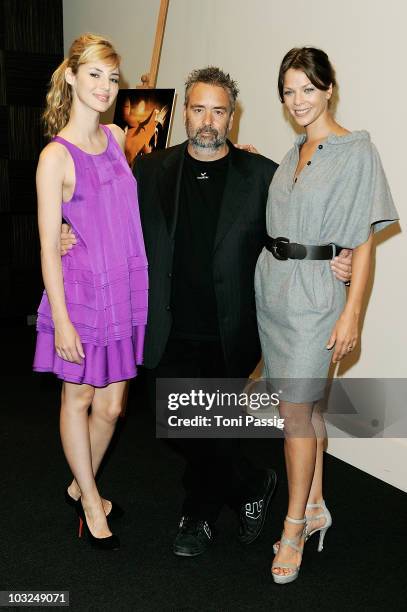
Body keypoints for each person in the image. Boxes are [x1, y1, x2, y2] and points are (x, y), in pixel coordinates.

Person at [61, 66, 352, 557]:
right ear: (187, 114)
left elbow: (298, 227)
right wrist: (70, 235)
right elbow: (113, 221)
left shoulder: (262, 175)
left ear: (231, 116)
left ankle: (195, 518)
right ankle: (252, 482)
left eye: (219, 110)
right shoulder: (152, 169)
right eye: (198, 108)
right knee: (177, 420)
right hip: (164, 326)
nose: (208, 120)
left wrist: (335, 255)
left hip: (231, 330)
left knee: (206, 423)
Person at [254, 47, 398, 584]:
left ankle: (291, 528)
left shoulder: (355, 150)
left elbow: (362, 242)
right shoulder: (294, 150)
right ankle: (315, 504)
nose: (298, 101)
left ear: (328, 88)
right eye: (289, 92)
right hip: (274, 292)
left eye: (307, 89)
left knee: (294, 414)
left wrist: (352, 314)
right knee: (309, 409)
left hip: (317, 299)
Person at [33, 33, 148, 550]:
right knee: (78, 398)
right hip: (79, 295)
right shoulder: (54, 158)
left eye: (112, 77)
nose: (104, 87)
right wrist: (59, 319)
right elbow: (45, 245)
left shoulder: (121, 137)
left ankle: (80, 481)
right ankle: (91, 503)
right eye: (95, 75)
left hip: (122, 291)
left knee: (112, 408)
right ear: (73, 77)